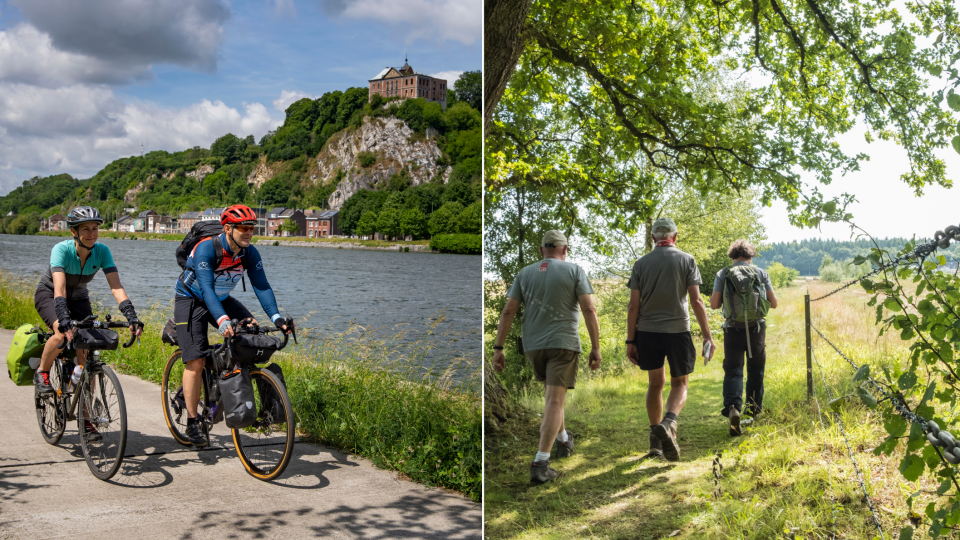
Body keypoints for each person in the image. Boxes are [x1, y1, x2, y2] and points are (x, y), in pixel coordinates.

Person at [174, 204, 293, 447]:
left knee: (251, 336)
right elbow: (206, 289)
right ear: (228, 228)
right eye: (243, 228)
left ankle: (225, 384)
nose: (249, 232)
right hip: (191, 299)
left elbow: (261, 285)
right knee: (195, 361)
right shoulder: (206, 248)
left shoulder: (249, 252)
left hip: (221, 298)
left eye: (252, 228)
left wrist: (277, 318)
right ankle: (192, 422)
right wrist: (222, 320)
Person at [491, 230, 601, 485]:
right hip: (563, 344)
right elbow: (589, 308)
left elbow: (509, 310)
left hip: (534, 346)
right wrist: (596, 347)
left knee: (553, 398)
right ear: (565, 249)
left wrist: (499, 347)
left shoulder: (525, 273)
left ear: (542, 250)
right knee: (554, 402)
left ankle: (564, 440)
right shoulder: (575, 270)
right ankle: (541, 462)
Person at [33, 206, 143, 422]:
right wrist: (63, 318)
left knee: (88, 355)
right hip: (49, 294)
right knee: (60, 333)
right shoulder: (61, 250)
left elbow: (116, 287)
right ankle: (42, 373)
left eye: (95, 228)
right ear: (74, 231)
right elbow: (60, 289)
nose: (92, 234)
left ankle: (86, 421)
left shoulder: (102, 251)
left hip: (80, 297)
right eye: (86, 229)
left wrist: (131, 314)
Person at [626, 217, 715, 462]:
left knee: (655, 384)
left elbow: (633, 305)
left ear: (653, 237)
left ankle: (655, 440)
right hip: (678, 331)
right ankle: (669, 422)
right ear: (675, 236)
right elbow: (696, 301)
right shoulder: (687, 260)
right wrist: (707, 335)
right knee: (680, 384)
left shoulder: (641, 263)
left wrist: (630, 341)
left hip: (647, 332)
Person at [709, 239, 778, 436]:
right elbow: (774, 303)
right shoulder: (760, 273)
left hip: (732, 330)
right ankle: (752, 411)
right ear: (751, 256)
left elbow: (714, 304)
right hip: (756, 329)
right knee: (756, 370)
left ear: (732, 256)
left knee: (733, 371)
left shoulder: (723, 274)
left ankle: (733, 408)